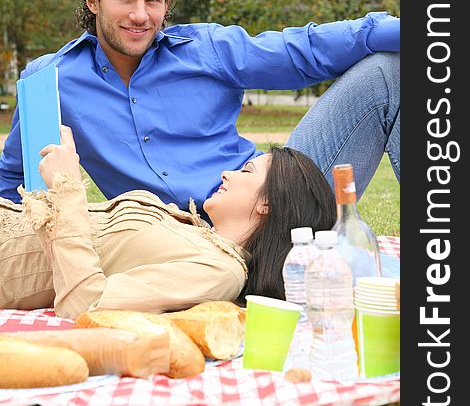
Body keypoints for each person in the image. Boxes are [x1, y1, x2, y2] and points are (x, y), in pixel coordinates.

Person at [0, 0, 400, 215]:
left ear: (167, 3)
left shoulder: (206, 49)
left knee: (390, 70)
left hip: (275, 205)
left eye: (153, 0)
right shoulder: (48, 80)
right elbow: (14, 182)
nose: (141, 15)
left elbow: (303, 50)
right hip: (173, 243)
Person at [0, 126, 336, 319]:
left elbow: (87, 305)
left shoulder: (222, 271)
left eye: (247, 170)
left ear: (268, 203)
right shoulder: (197, 233)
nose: (226, 173)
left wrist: (67, 186)